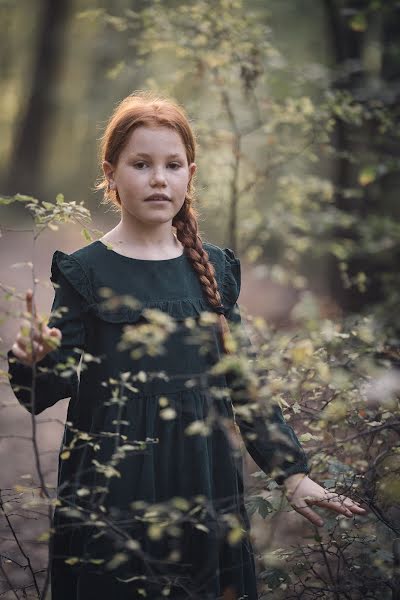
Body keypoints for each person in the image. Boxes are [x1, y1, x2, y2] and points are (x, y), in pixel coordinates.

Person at [7, 91, 366, 600]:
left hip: (204, 473)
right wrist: (33, 360)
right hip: (115, 483)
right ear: (110, 174)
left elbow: (244, 382)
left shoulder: (213, 269)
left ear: (189, 175)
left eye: (172, 165)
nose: (159, 178)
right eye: (141, 163)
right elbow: (50, 386)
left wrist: (292, 473)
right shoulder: (86, 271)